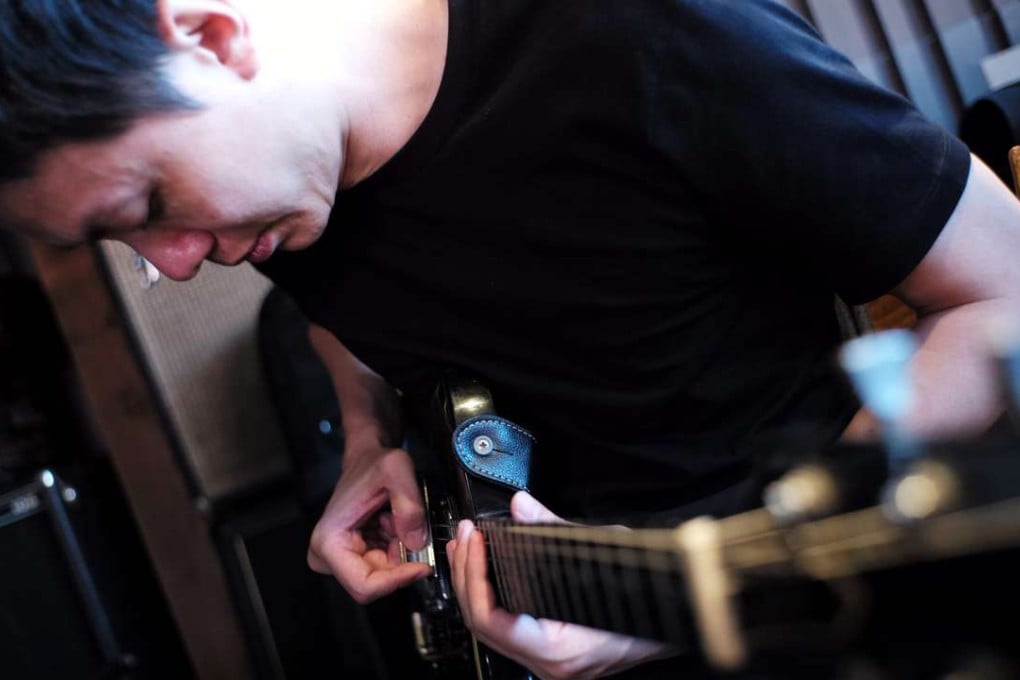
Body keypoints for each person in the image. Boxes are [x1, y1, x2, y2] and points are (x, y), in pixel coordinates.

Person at [1, 0, 1019, 677]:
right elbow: (352, 312)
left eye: (151, 200)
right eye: (121, 238)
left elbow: (1002, 293)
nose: (175, 261)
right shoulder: (272, 195)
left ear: (214, 37)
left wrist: (716, 591)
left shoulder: (642, 35)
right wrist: (368, 438)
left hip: (831, 617)